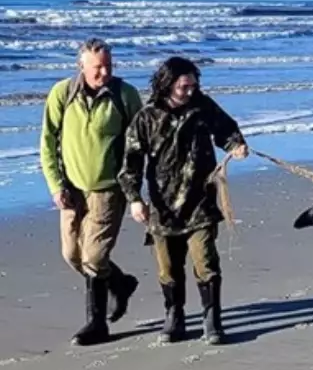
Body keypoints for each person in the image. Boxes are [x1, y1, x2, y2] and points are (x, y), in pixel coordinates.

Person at [117, 56, 248, 345]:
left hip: (200, 201)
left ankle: (212, 320)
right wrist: (134, 199)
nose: (191, 91)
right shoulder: (147, 117)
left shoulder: (203, 107)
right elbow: (131, 162)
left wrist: (236, 144)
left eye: (194, 85)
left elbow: (226, 129)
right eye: (185, 86)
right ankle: (174, 316)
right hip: (163, 208)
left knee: (205, 261)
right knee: (168, 268)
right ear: (168, 84)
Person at [39, 37, 143, 346]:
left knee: (95, 256)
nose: (104, 72)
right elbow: (47, 142)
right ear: (81, 66)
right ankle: (120, 283)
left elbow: (138, 144)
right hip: (71, 190)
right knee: (72, 255)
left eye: (109, 66)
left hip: (109, 189)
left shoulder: (125, 96)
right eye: (97, 67)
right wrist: (56, 185)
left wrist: (134, 188)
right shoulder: (62, 93)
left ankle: (96, 324)